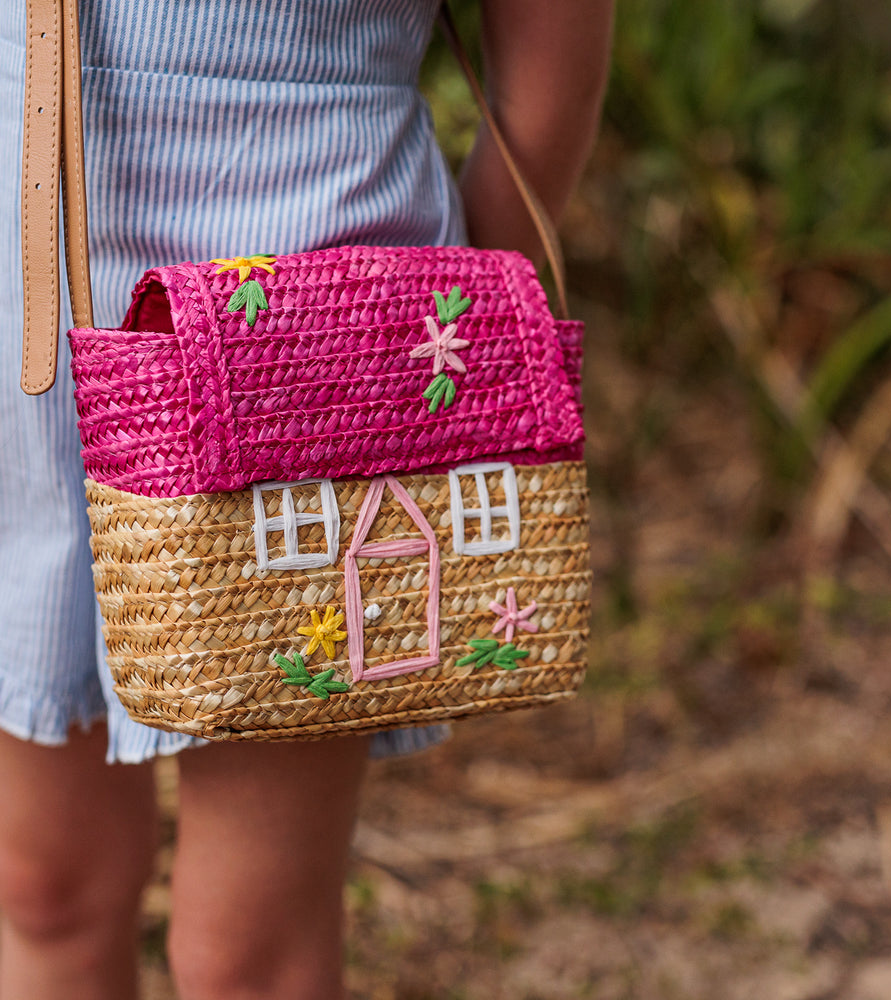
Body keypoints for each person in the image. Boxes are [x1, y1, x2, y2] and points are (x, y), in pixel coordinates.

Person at [0, 0, 614, 997]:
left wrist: (445, 343)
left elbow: (546, 81)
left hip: (307, 289)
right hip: (24, 242)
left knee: (247, 950)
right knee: (42, 884)